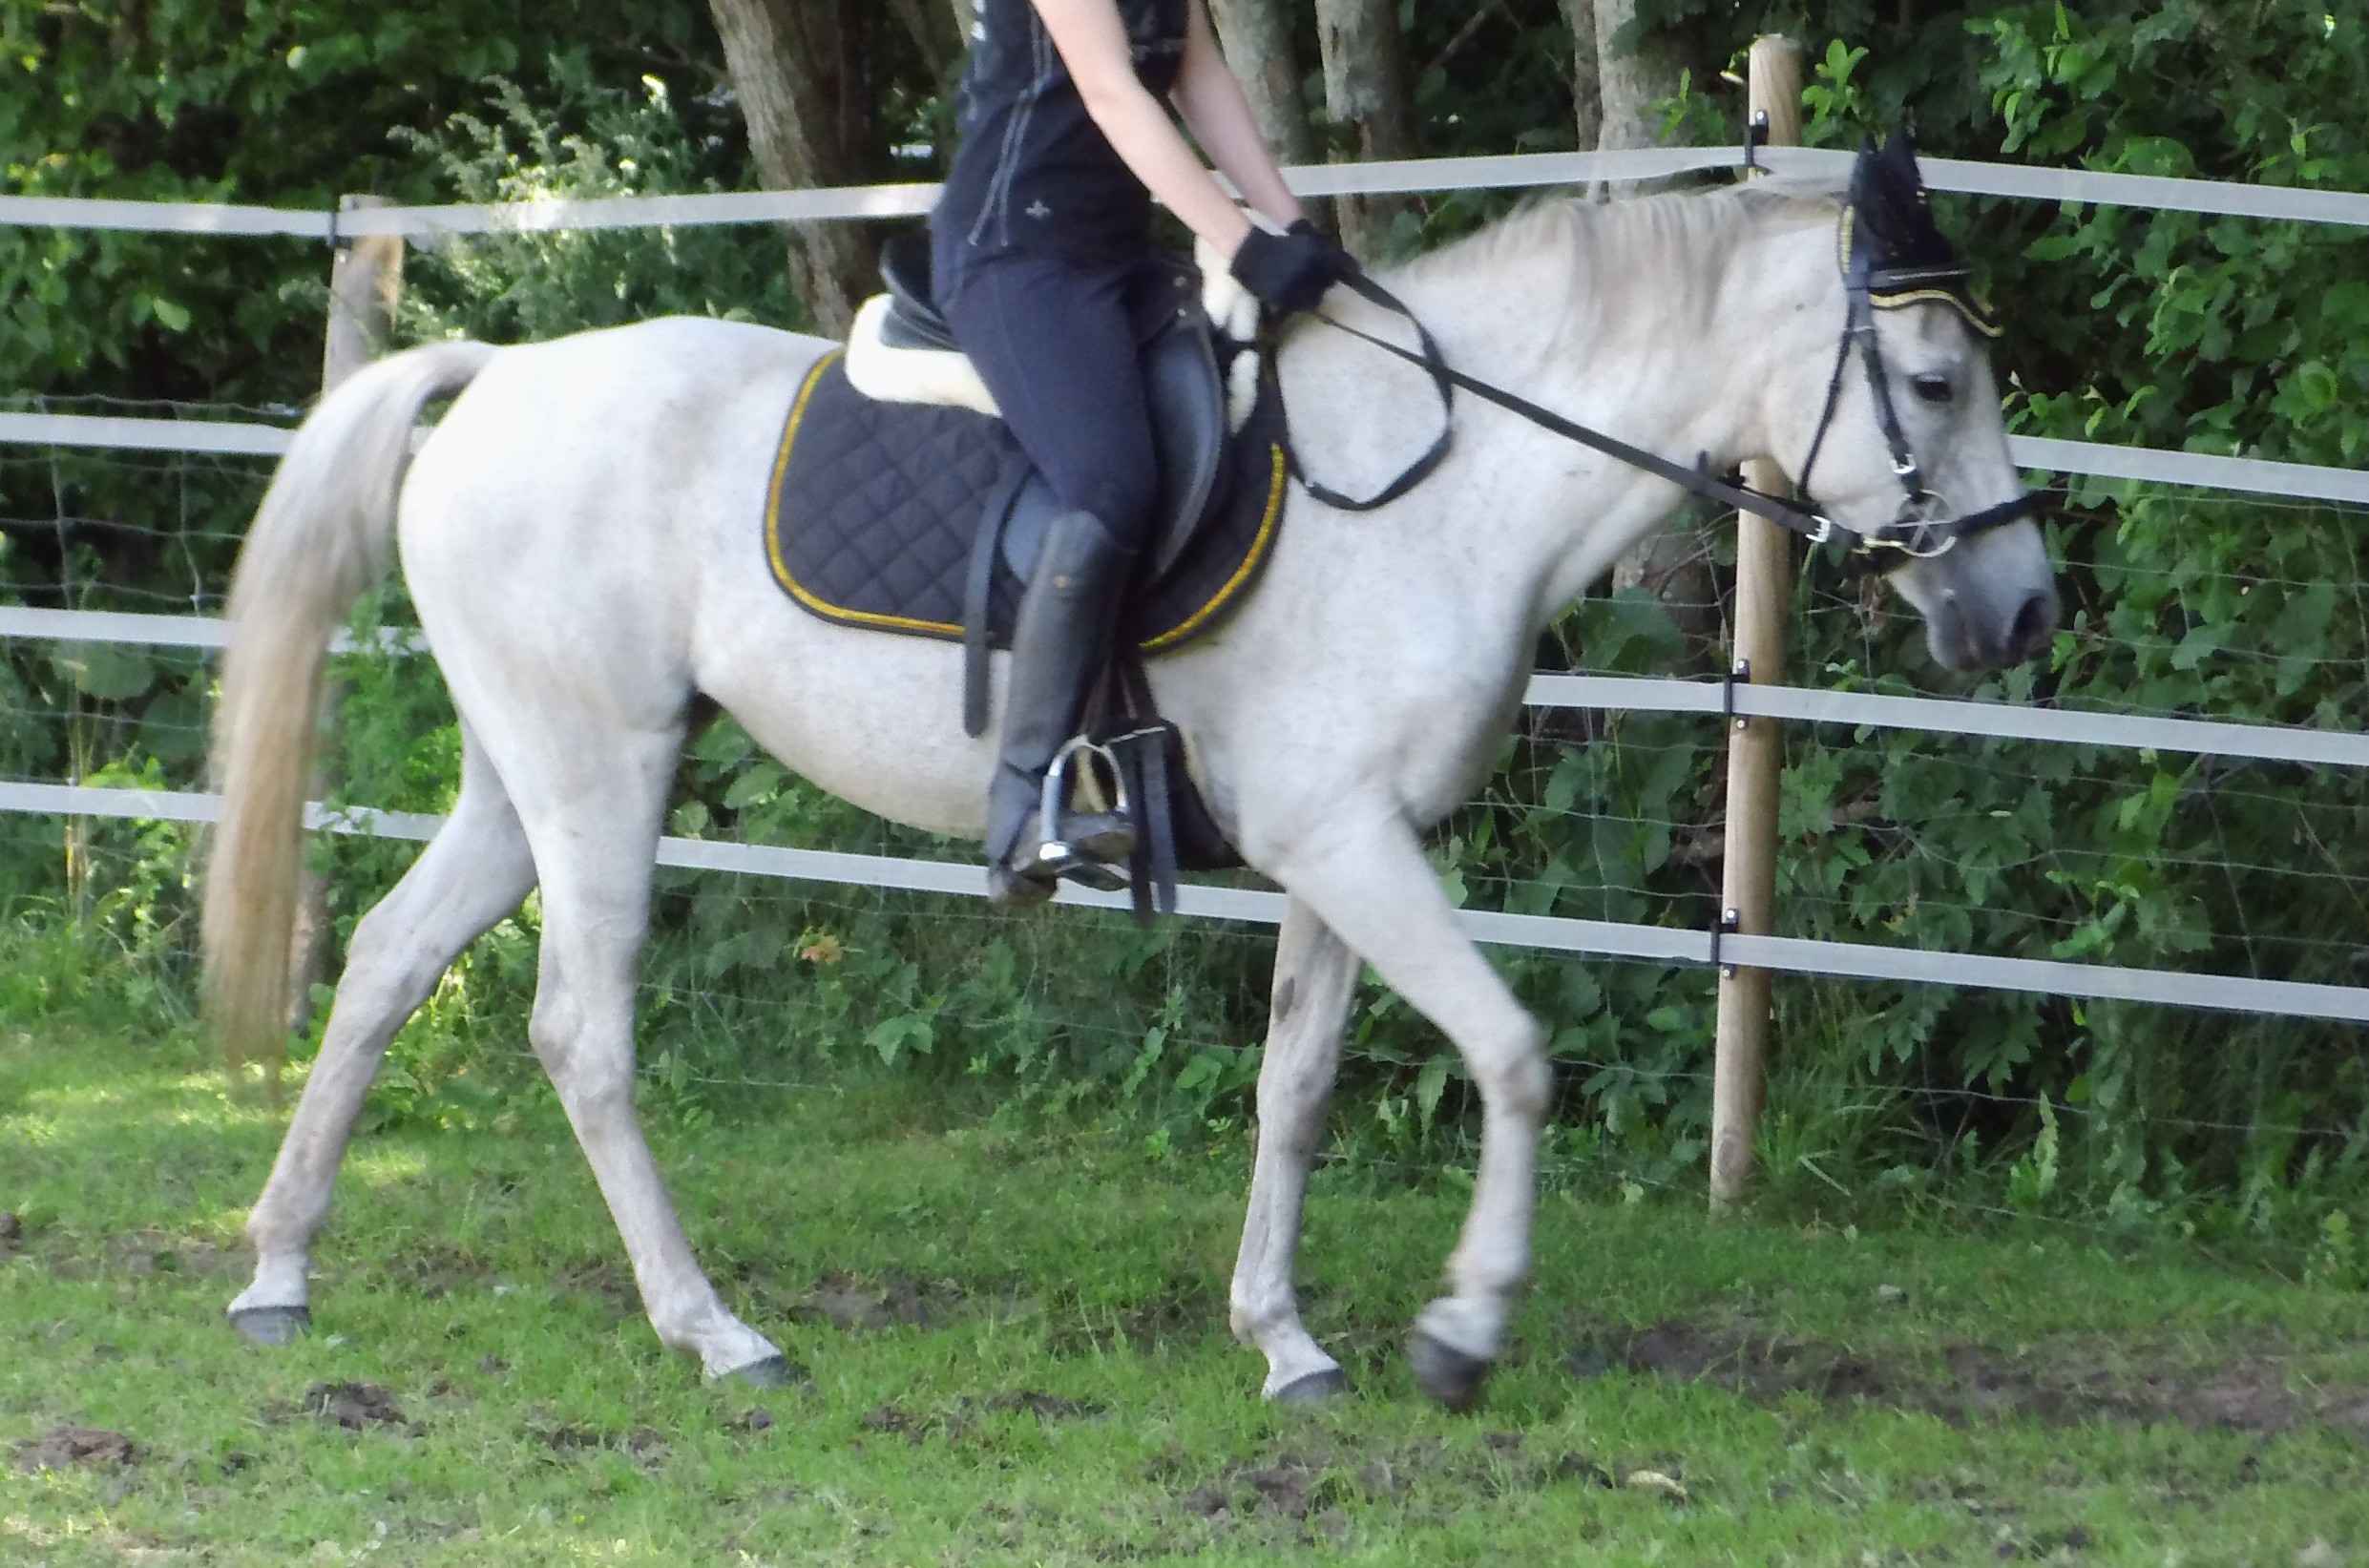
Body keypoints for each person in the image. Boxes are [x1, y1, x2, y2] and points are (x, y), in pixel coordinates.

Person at [931, 0, 1352, 908]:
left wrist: (1293, 229)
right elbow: (1115, 94)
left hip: (1118, 259)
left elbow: (1201, 83)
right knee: (1109, 486)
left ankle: (1180, 748)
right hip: (1013, 254)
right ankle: (1019, 808)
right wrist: (1241, 244)